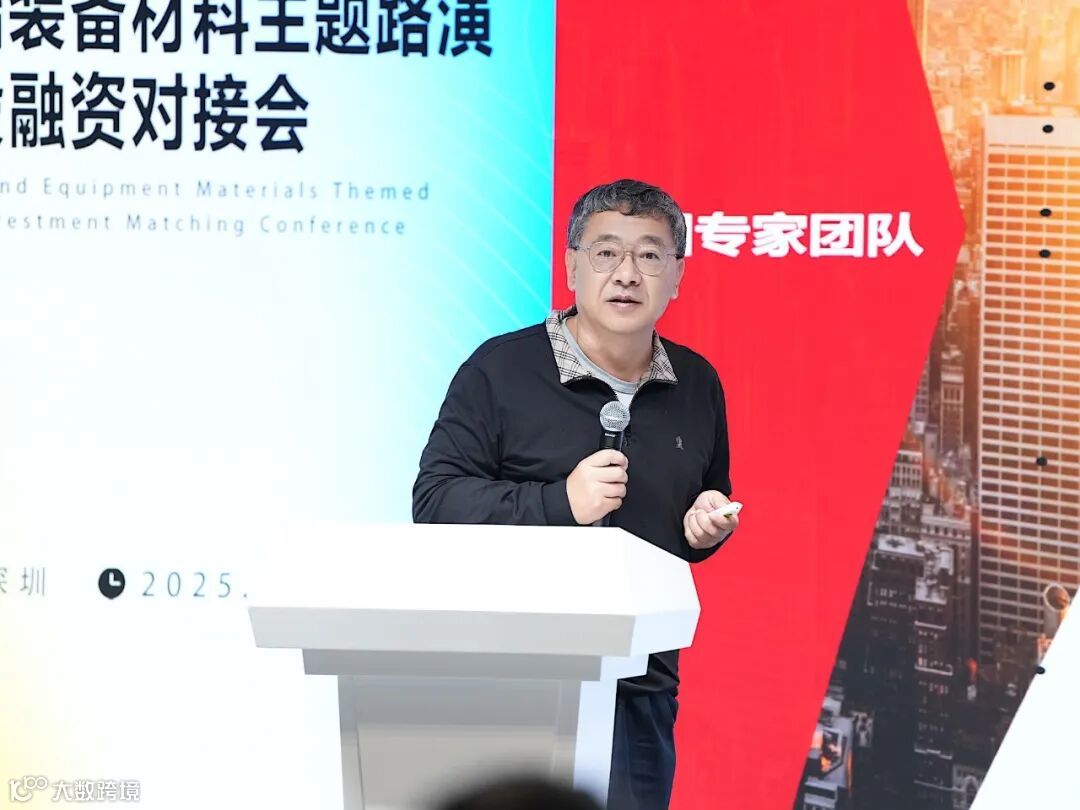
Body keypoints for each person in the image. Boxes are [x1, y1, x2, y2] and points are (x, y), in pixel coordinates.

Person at [413, 178, 739, 810]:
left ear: (677, 275)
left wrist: (704, 526)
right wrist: (558, 503)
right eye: (606, 252)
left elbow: (701, 501)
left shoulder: (697, 383)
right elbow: (436, 501)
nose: (627, 274)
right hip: (512, 676)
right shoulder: (501, 370)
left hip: (639, 684)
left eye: (650, 255)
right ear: (570, 267)